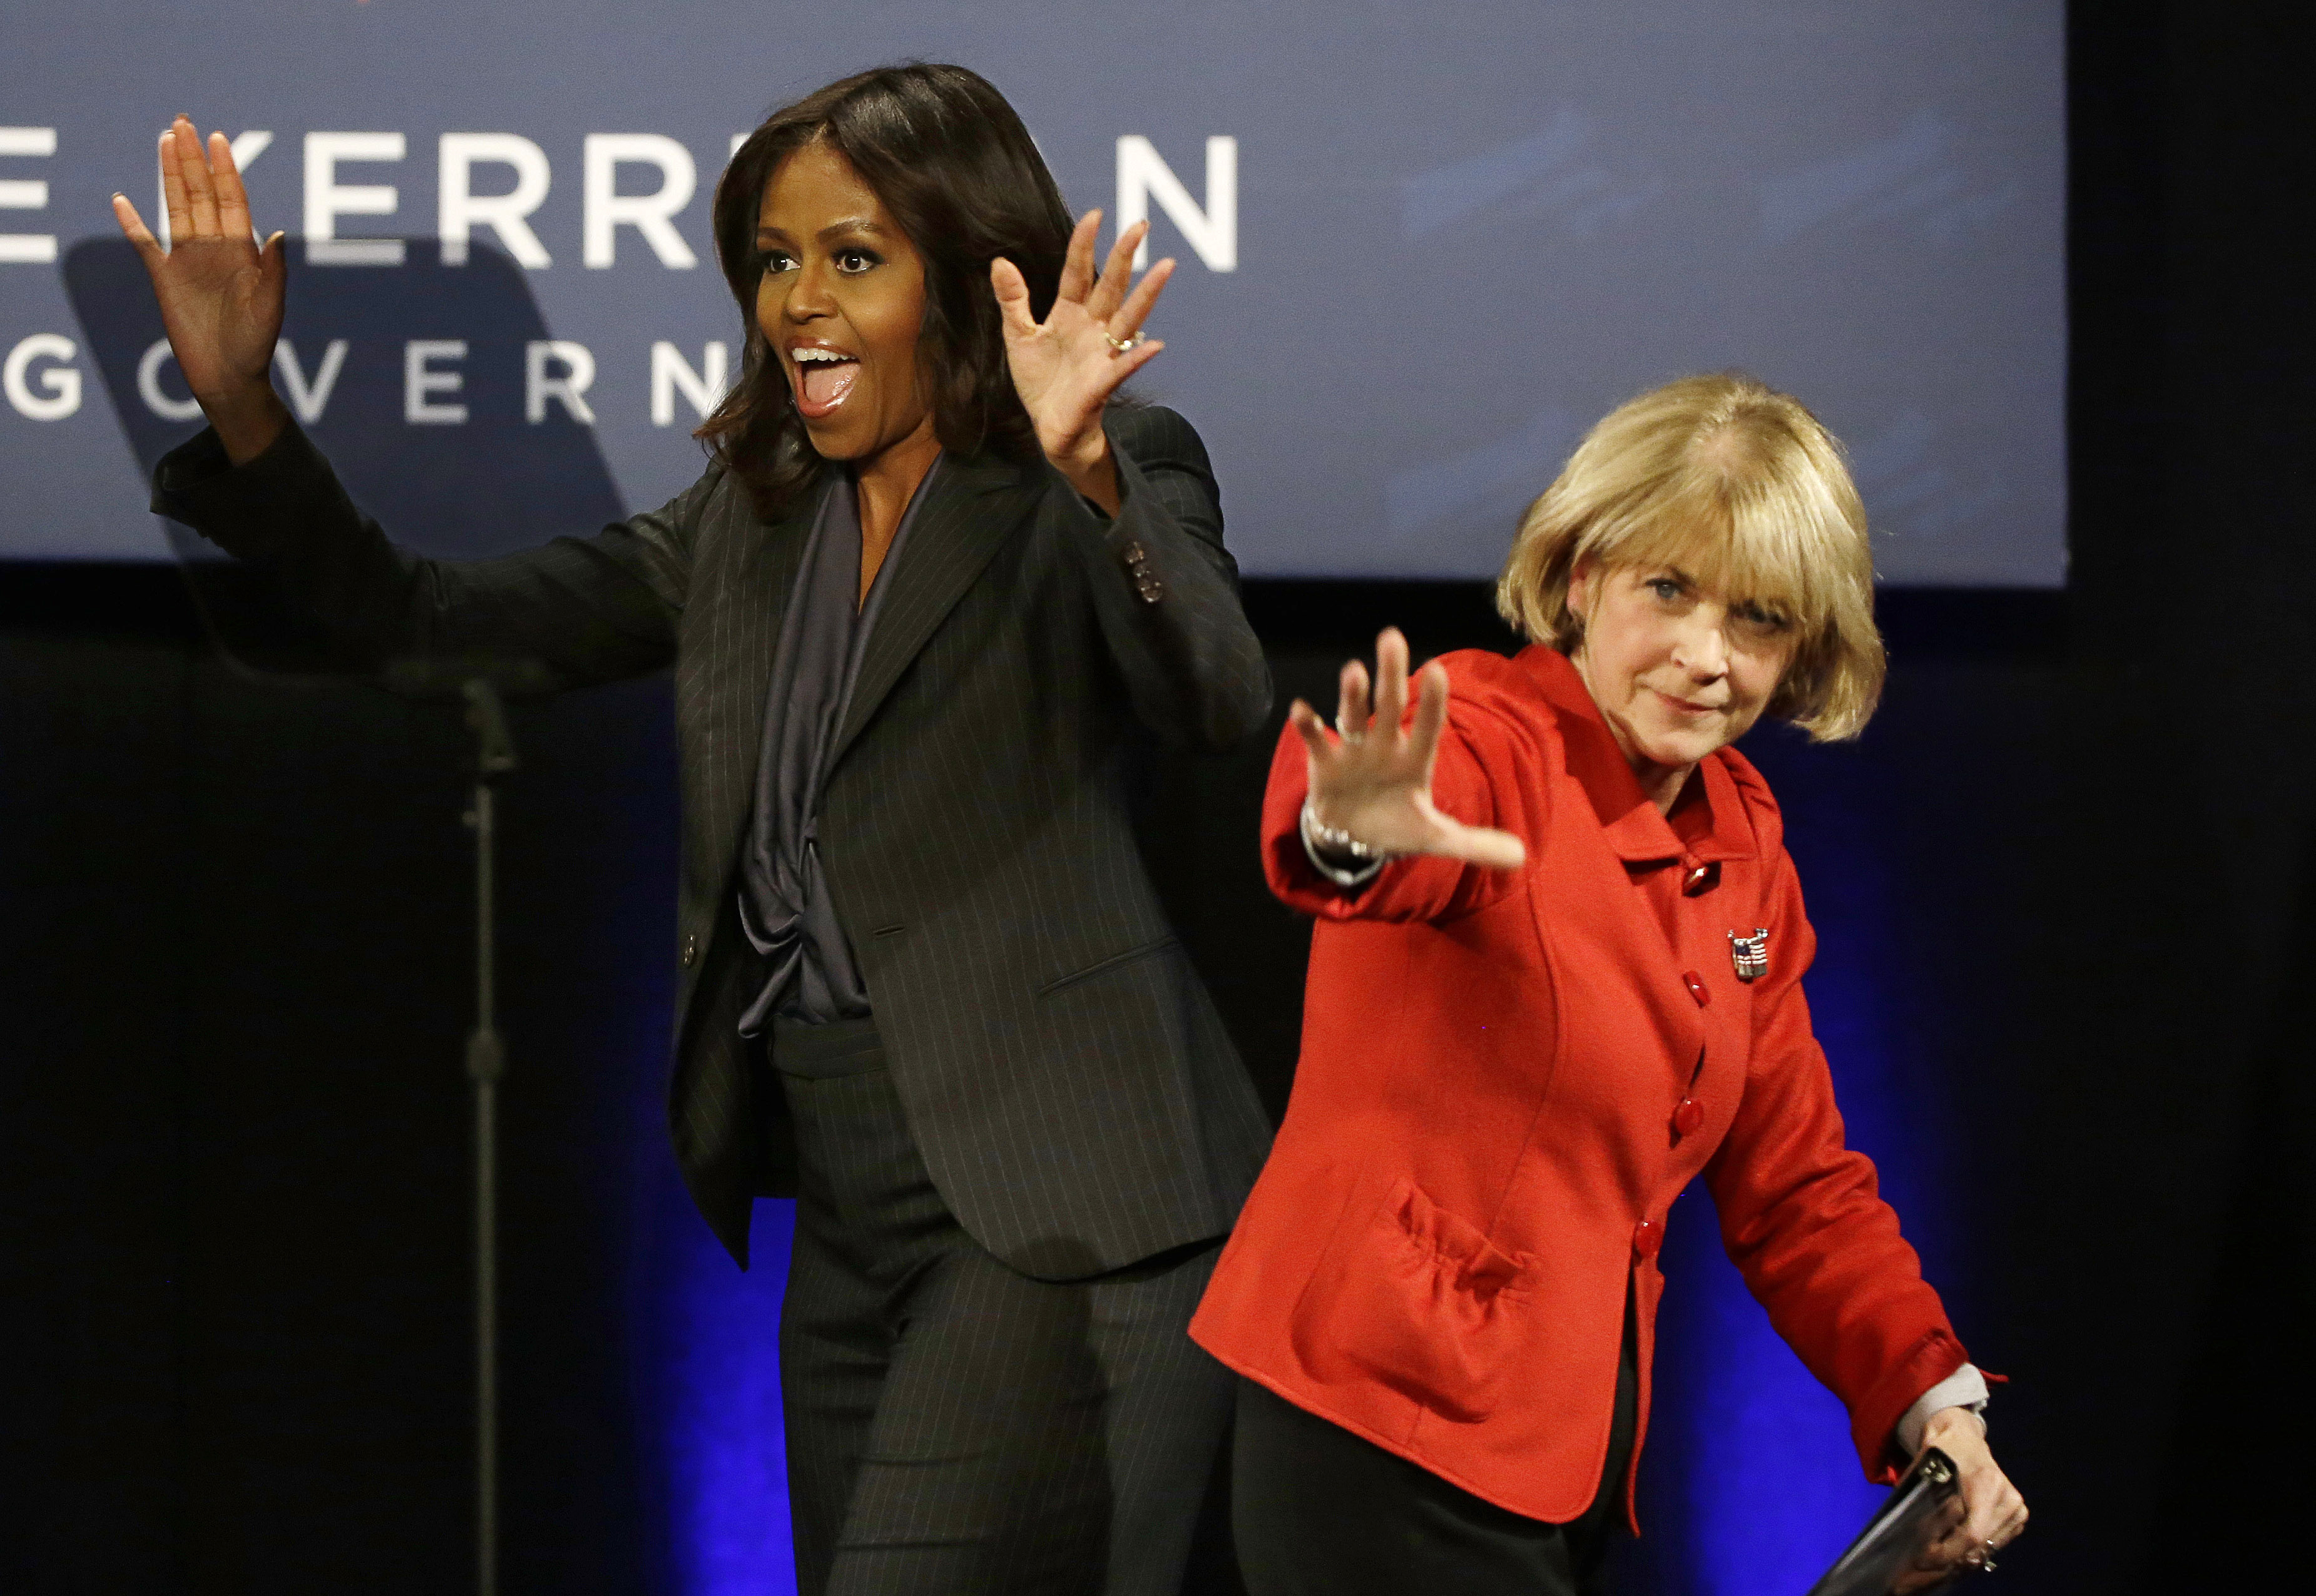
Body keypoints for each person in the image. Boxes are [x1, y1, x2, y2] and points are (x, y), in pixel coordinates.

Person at [114, 63, 1273, 1596]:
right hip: (848, 1214)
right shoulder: (747, 520)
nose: (801, 300)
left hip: (1061, 1202)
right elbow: (426, 621)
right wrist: (244, 412)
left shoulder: (1094, 474)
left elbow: (1219, 698)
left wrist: (1089, 473)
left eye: (854, 258)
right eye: (773, 259)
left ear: (970, 268)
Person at [1190, 374, 2028, 1594]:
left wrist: (1930, 1402)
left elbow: (1796, 1184)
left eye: (1758, 618)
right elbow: (1381, 840)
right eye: (1669, 590)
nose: (1704, 655)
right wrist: (1350, 829)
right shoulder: (1484, 729)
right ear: (1581, 577)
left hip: (1561, 1452)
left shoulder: (1744, 836)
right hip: (1384, 1427)